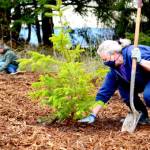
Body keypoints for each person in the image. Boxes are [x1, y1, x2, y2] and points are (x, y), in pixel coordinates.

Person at [79, 39, 150, 124]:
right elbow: (104, 92)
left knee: (148, 95)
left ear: (114, 54)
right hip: (141, 81)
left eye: (105, 59)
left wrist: (140, 61)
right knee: (125, 92)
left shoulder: (133, 52)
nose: (105, 62)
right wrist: (92, 114)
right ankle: (142, 115)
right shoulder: (114, 71)